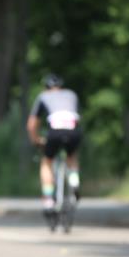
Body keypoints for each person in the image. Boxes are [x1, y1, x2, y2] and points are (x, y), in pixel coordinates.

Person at [27, 74, 81, 212]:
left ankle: (48, 198)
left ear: (46, 87)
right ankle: (74, 181)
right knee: (72, 155)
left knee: (46, 162)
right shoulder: (71, 94)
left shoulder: (43, 96)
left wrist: (36, 140)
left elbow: (32, 124)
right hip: (73, 130)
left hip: (55, 130)